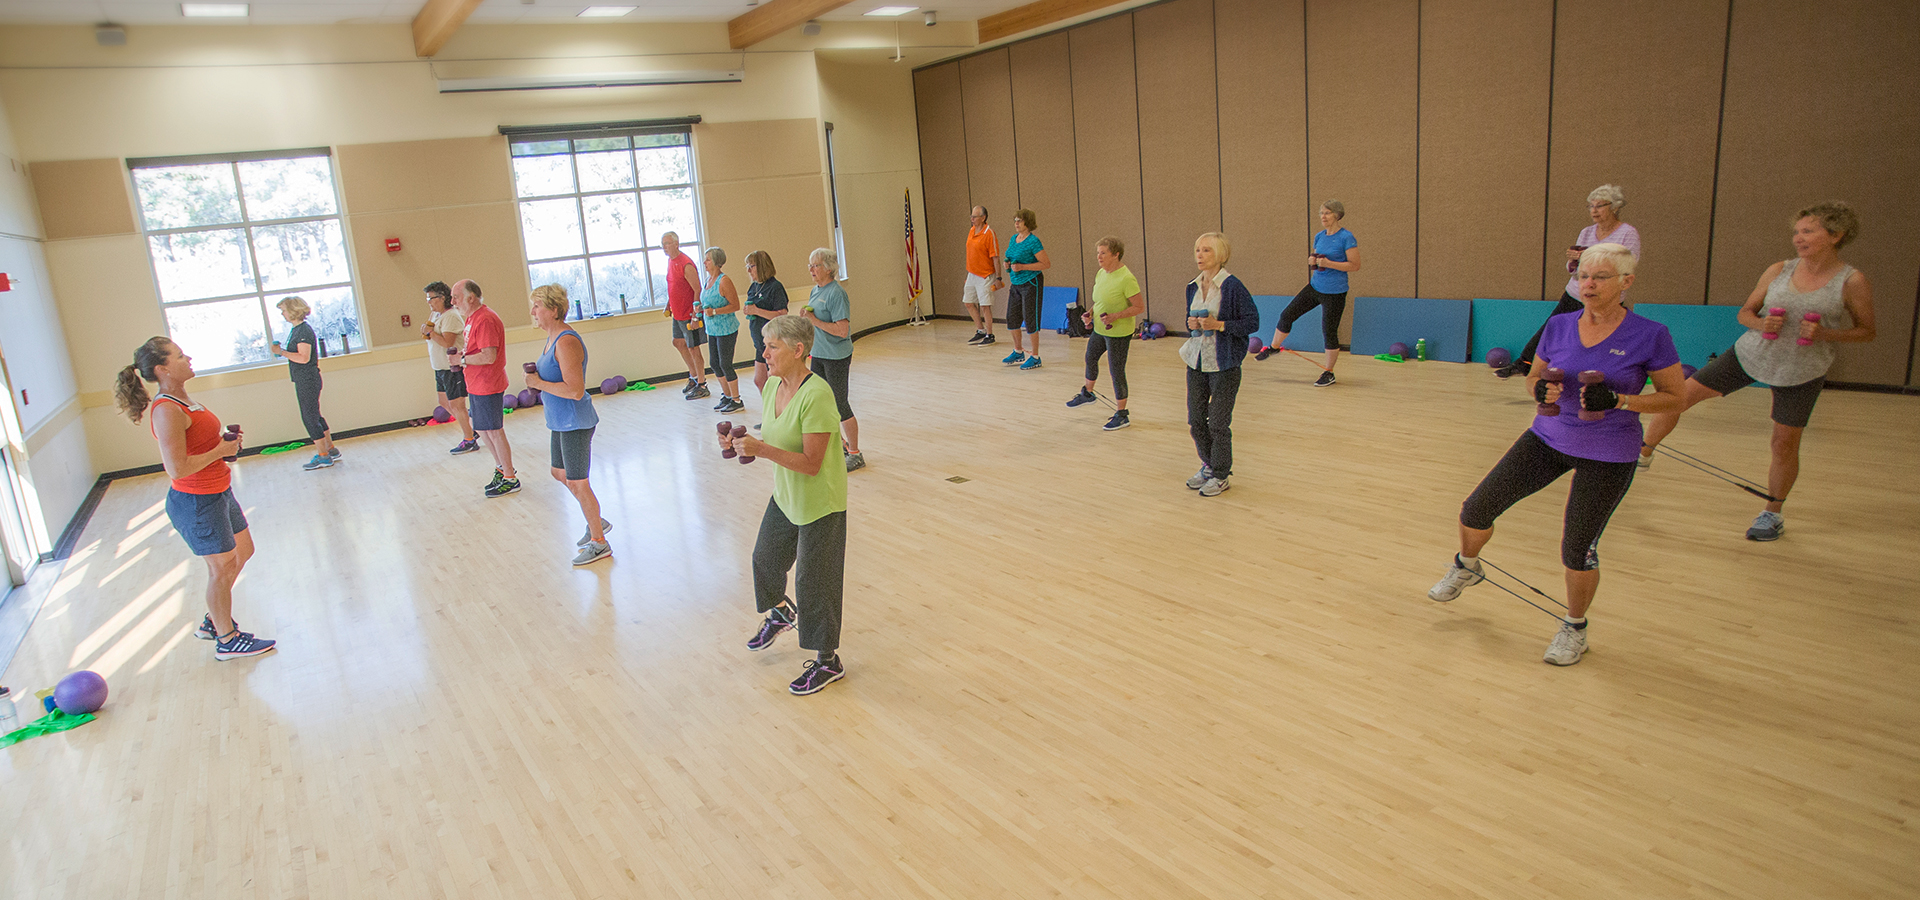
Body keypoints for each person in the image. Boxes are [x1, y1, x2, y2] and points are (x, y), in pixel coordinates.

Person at [1428, 243, 1685, 666]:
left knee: (1577, 547)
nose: (1589, 284)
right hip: (1547, 438)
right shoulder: (1561, 326)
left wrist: (1621, 400)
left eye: (1600, 277)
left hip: (1608, 453)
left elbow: (1675, 398)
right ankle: (1467, 564)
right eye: (1584, 275)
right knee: (1475, 508)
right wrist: (1539, 389)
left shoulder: (1650, 333)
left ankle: (1575, 628)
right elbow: (1533, 379)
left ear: (1626, 281)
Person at [1637, 201, 1875, 542]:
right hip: (1749, 354)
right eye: (1796, 231)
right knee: (1679, 397)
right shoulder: (1779, 269)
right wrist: (1762, 322)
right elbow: (1745, 314)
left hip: (1802, 369)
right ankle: (1643, 453)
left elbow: (1867, 331)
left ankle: (1772, 513)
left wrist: (1826, 334)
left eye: (1808, 231)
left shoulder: (1851, 281)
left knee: (1783, 444)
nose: (1798, 237)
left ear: (1836, 235)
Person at [113, 337, 276, 660]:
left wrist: (222, 447)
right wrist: (221, 450)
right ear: (162, 369)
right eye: (179, 355)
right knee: (222, 567)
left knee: (243, 551)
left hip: (218, 491)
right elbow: (177, 468)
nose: (188, 357)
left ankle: (213, 621)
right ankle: (227, 639)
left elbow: (196, 446)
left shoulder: (184, 400)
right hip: (197, 502)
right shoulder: (167, 410)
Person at [725, 315, 850, 695]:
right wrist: (738, 443)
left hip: (820, 503)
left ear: (799, 350)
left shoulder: (818, 395)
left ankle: (828, 661)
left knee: (814, 585)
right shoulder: (772, 387)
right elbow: (773, 436)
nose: (764, 353)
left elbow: (812, 463)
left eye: (772, 346)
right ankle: (780, 612)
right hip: (786, 496)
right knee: (765, 559)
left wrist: (762, 450)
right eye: (764, 346)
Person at [1498, 185, 1642, 377]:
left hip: (1607, 297)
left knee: (1602, 336)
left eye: (1599, 206)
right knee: (1552, 329)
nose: (1594, 210)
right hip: (1576, 292)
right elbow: (1573, 270)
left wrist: (1590, 257)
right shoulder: (1586, 232)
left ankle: (1609, 373)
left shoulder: (1627, 233)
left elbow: (1628, 264)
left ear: (1614, 207)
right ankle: (1524, 363)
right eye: (1590, 206)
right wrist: (1573, 260)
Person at [524, 284, 610, 565]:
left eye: (537, 306)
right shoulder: (551, 338)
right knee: (558, 472)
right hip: (559, 421)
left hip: (575, 421)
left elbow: (575, 390)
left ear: (553, 309)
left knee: (577, 481)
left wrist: (538, 383)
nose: (533, 312)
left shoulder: (566, 341)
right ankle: (595, 517)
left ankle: (599, 542)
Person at [1181, 233, 1260, 496]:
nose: (1199, 256)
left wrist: (1220, 325)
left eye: (1206, 251)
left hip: (1224, 364)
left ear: (1220, 255)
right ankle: (1209, 465)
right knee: (1195, 420)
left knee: (1217, 422)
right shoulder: (1192, 286)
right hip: (1196, 362)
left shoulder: (1232, 286)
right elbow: (1189, 319)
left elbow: (1252, 323)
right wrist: (1190, 324)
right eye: (1197, 250)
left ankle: (1221, 474)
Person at [1256, 200, 1359, 386]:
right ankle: (1273, 347)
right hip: (1315, 287)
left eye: (1327, 213)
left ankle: (1329, 372)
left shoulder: (1346, 237)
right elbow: (1318, 257)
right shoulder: (1319, 236)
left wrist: (1329, 264)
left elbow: (1355, 265)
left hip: (1335, 292)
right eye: (1321, 213)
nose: (1323, 217)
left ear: (1337, 215)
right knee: (1287, 315)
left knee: (1329, 331)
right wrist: (1313, 260)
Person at [1066, 236, 1143, 431]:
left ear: (1116, 255)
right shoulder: (1101, 273)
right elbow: (1100, 301)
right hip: (1100, 329)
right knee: (1090, 357)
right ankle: (1088, 393)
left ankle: (1122, 414)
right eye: (1098, 253)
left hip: (1119, 332)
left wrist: (1116, 316)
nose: (1099, 257)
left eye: (1103, 253)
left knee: (1116, 370)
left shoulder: (1127, 278)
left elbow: (1139, 307)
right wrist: (1090, 313)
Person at [450, 279, 518, 498]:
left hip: (488, 383)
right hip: (477, 384)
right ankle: (501, 468)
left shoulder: (486, 319)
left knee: (495, 431)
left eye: (456, 297)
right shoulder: (471, 318)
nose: (453, 302)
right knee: (483, 430)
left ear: (471, 297)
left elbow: (489, 355)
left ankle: (510, 477)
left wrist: (462, 360)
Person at [800, 247, 864, 472]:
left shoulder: (837, 294)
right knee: (821, 403)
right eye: (810, 265)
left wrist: (813, 320)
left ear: (829, 269)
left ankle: (856, 453)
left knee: (839, 403)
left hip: (836, 356)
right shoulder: (816, 291)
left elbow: (841, 330)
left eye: (815, 265)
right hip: (818, 354)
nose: (811, 269)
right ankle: (841, 446)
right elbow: (814, 321)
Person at [266, 295, 340, 469]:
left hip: (307, 379)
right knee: (315, 415)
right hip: (305, 379)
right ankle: (330, 449)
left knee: (309, 417)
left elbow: (304, 357)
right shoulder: (297, 330)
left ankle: (323, 455)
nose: (283, 314)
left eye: (284, 310)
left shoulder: (303, 331)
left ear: (292, 310)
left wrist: (281, 352)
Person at [422, 281, 478, 455]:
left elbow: (448, 342)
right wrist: (428, 332)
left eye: (431, 298)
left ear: (442, 298)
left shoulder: (451, 316)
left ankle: (469, 440)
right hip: (439, 367)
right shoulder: (435, 315)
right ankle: (471, 429)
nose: (429, 302)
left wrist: (431, 333)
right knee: (444, 402)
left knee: (457, 404)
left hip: (452, 367)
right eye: (427, 299)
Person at [1000, 208, 1052, 369]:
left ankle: (1035, 356)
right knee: (1012, 318)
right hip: (1015, 283)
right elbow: (1010, 256)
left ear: (1027, 223)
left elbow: (1045, 264)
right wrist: (1007, 265)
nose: (1016, 223)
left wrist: (1023, 266)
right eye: (1015, 220)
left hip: (1031, 283)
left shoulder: (1033, 241)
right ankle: (1018, 351)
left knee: (1031, 319)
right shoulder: (1013, 239)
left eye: (1020, 220)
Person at [662, 231, 710, 400]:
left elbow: (697, 289)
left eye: (667, 243)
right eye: (663, 244)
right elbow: (674, 286)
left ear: (676, 243)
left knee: (693, 347)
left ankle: (702, 384)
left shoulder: (686, 264)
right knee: (678, 342)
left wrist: (696, 315)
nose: (664, 247)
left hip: (689, 313)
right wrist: (669, 303)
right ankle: (694, 376)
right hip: (677, 312)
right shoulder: (670, 262)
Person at [700, 247, 746, 414]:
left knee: (725, 364)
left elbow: (735, 305)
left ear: (717, 262)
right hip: (712, 329)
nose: (705, 262)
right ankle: (726, 396)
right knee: (714, 363)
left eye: (708, 259)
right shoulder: (707, 281)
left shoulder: (724, 281)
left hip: (726, 329)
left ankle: (736, 399)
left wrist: (715, 311)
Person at [742, 250, 790, 395]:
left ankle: (780, 411)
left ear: (762, 266)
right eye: (747, 267)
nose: (749, 270)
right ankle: (770, 411)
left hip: (773, 341)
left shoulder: (775, 287)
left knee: (774, 380)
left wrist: (756, 311)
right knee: (759, 380)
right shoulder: (754, 286)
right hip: (760, 342)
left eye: (752, 266)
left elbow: (781, 314)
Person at [960, 206, 1005, 346]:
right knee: (968, 302)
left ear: (983, 217)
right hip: (972, 274)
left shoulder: (989, 233)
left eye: (975, 216)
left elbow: (995, 257)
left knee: (985, 306)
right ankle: (980, 330)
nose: (972, 219)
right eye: (971, 216)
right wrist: (970, 273)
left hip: (985, 275)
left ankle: (990, 334)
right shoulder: (972, 230)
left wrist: (998, 278)